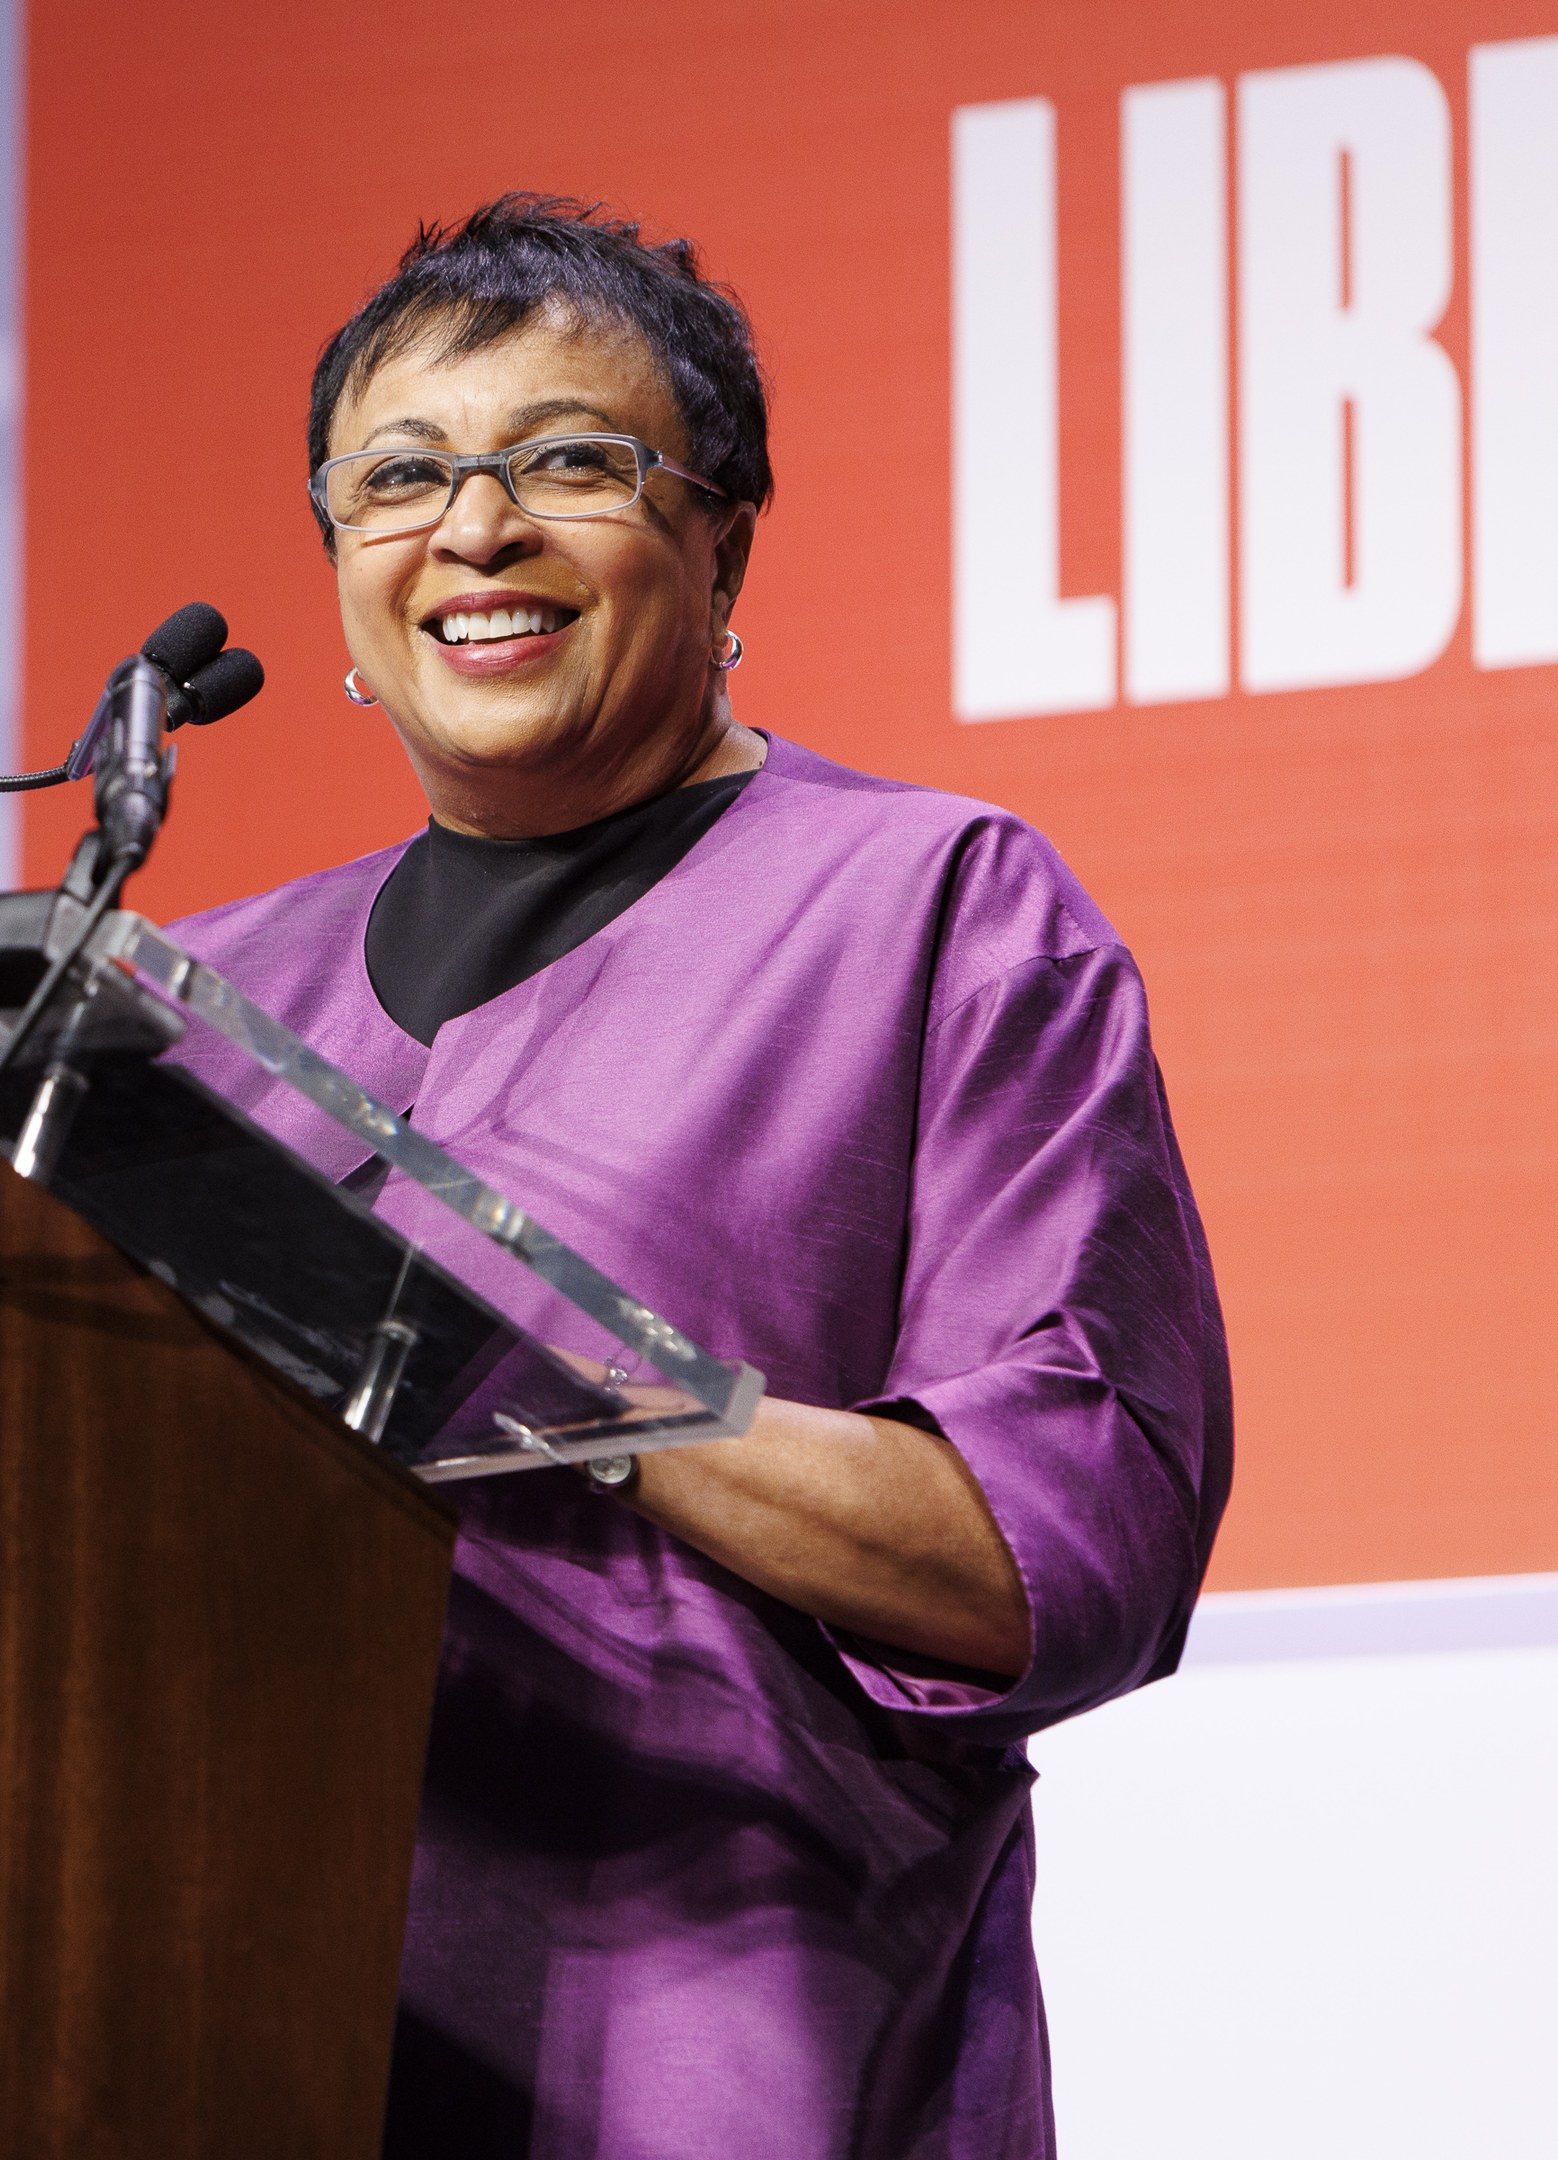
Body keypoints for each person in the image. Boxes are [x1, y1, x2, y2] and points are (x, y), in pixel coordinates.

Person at [165, 198, 1232, 2157]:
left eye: (565, 462)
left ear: (720, 537)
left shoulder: (932, 913)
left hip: (715, 2061)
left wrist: (542, 1379)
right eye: (396, 480)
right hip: (207, 2024)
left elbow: (1057, 1549)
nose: (470, 532)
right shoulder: (199, 1009)